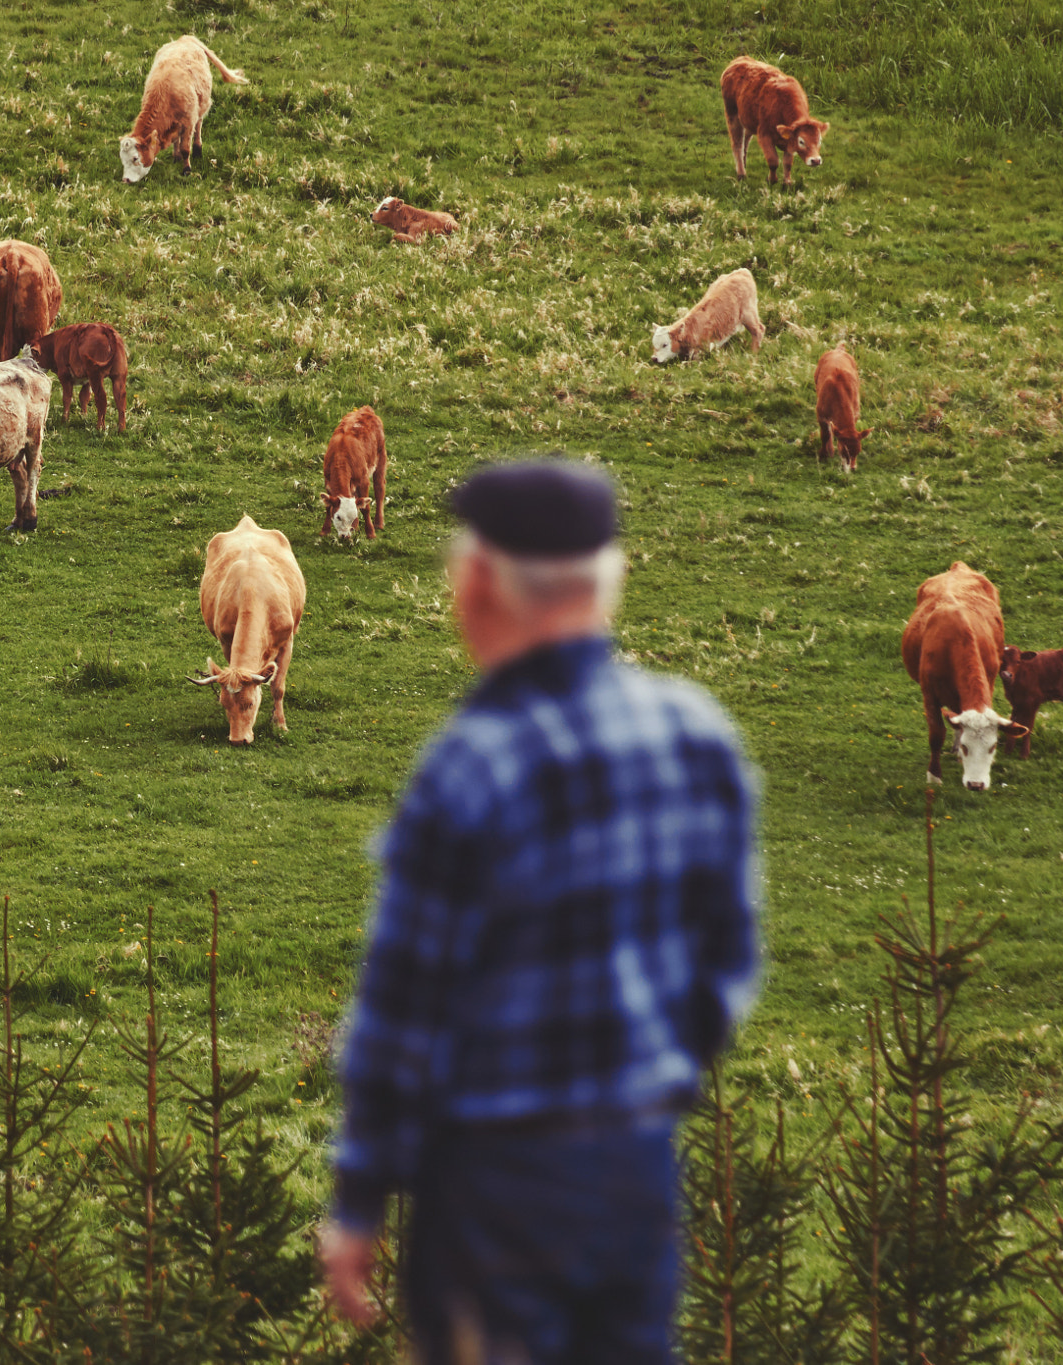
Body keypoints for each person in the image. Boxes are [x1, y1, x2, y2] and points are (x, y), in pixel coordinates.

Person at [320, 459, 763, 1365]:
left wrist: (361, 1196)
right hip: (636, 1170)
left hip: (495, 1186)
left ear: (479, 585)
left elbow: (405, 1011)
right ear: (610, 584)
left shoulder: (471, 769)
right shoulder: (696, 736)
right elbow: (727, 963)